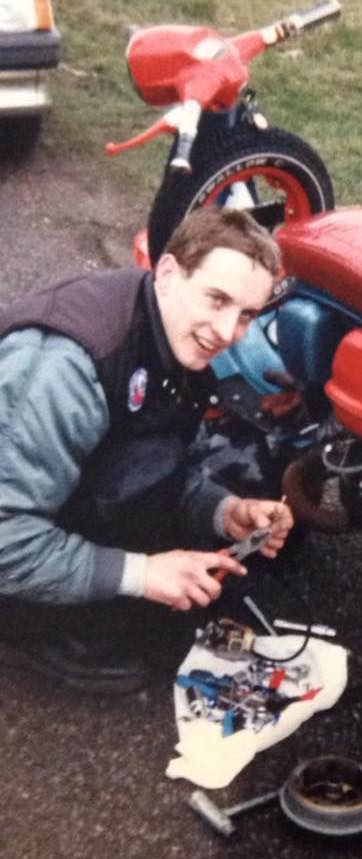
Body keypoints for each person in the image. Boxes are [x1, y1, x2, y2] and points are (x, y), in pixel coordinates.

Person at [0, 208, 294, 693]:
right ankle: (22, 627)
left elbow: (156, 457)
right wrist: (142, 574)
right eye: (217, 299)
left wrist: (224, 511)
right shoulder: (63, 369)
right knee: (126, 631)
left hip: (41, 483)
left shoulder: (174, 334)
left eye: (246, 314)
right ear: (169, 272)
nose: (227, 332)